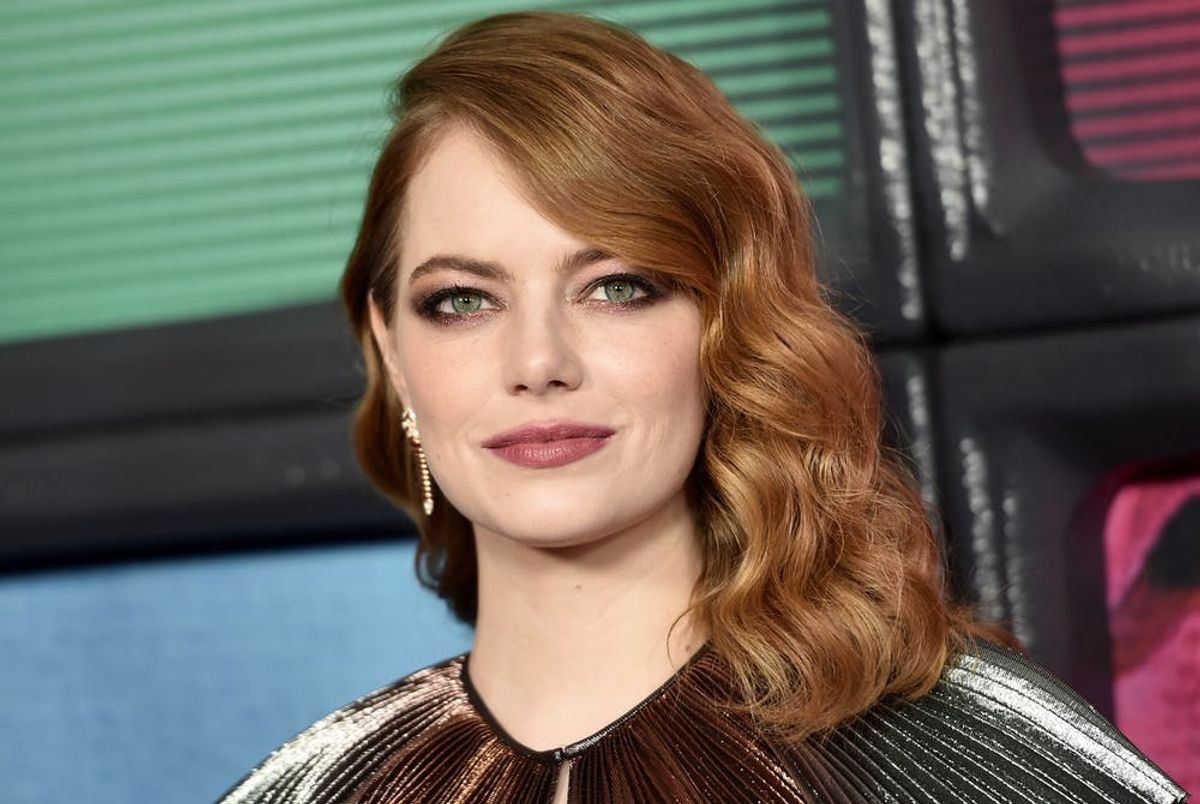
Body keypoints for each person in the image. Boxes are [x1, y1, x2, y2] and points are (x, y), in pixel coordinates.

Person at [217, 11, 1186, 804]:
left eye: (618, 287)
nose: (538, 362)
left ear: (730, 327)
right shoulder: (309, 790)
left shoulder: (973, 755)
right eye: (463, 301)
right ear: (391, 348)